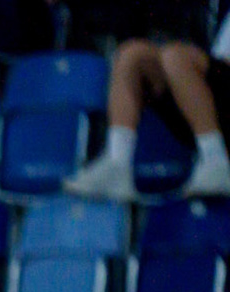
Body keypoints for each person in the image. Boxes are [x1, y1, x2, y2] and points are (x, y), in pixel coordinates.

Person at [62, 6, 230, 199]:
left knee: (176, 57)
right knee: (132, 54)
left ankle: (216, 160)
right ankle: (118, 163)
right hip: (205, 100)